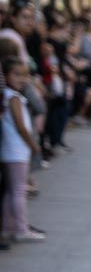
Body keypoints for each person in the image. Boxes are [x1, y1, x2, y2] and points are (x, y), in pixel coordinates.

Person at [2, 57, 42, 243]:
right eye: (16, 75)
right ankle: (21, 228)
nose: (21, 79)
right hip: (17, 151)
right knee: (19, 192)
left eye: (25, 75)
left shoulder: (10, 96)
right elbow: (21, 126)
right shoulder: (14, 98)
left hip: (11, 151)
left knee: (11, 191)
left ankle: (7, 226)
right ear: (6, 75)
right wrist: (32, 145)